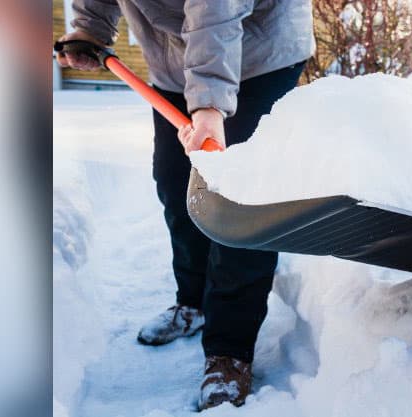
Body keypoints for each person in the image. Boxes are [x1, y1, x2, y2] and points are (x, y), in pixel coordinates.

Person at [56, 0, 313, 410]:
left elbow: (216, 11)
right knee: (176, 181)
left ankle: (230, 349)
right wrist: (90, 27)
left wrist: (209, 106)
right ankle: (193, 302)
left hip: (258, 53)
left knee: (239, 197)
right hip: (175, 61)